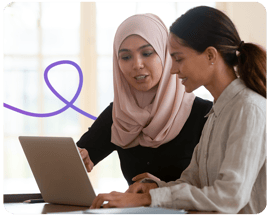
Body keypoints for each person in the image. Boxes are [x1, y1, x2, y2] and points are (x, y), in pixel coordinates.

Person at [90, 6, 267, 215]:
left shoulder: (249, 109)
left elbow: (229, 197)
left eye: (179, 58)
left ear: (211, 55)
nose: (172, 69)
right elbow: (193, 181)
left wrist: (149, 199)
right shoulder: (218, 112)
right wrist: (154, 188)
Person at [77, 13, 212, 186]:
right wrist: (80, 157)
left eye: (147, 53)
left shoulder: (206, 114)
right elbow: (79, 155)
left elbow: (219, 188)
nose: (137, 64)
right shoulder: (119, 114)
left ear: (166, 55)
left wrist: (160, 191)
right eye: (125, 57)